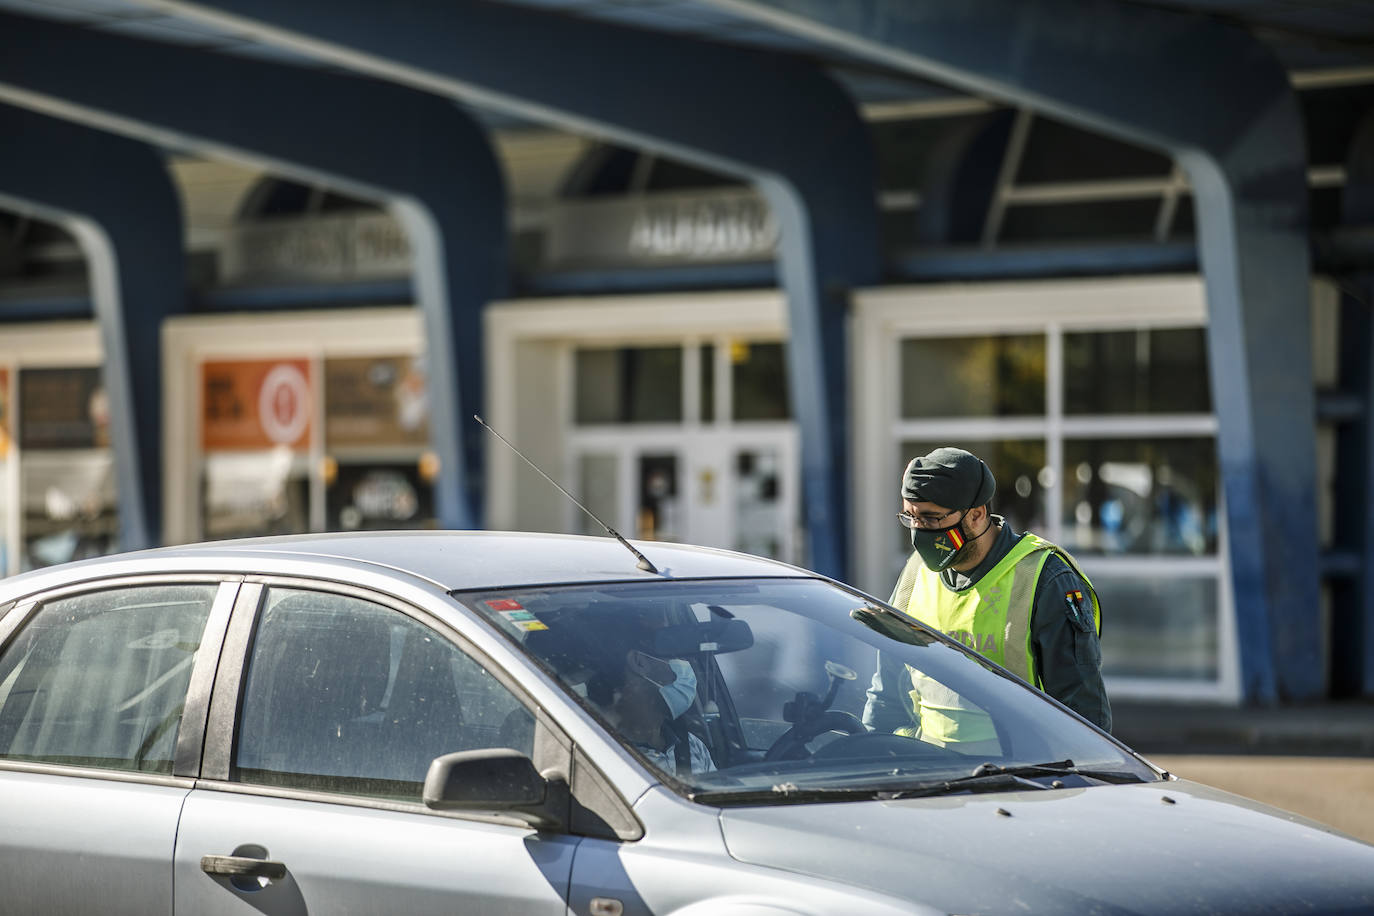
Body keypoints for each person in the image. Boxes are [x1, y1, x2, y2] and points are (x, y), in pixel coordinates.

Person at [864, 446, 1111, 747]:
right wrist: (871, 752)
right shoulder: (917, 572)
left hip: (1020, 781)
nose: (919, 532)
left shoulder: (1045, 578)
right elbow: (888, 689)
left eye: (931, 519)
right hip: (928, 774)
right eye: (911, 518)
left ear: (977, 514)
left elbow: (1084, 714)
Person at [596, 648, 716, 777]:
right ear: (639, 662)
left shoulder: (692, 744)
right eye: (678, 657)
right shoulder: (605, 753)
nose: (687, 667)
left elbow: (716, 793)